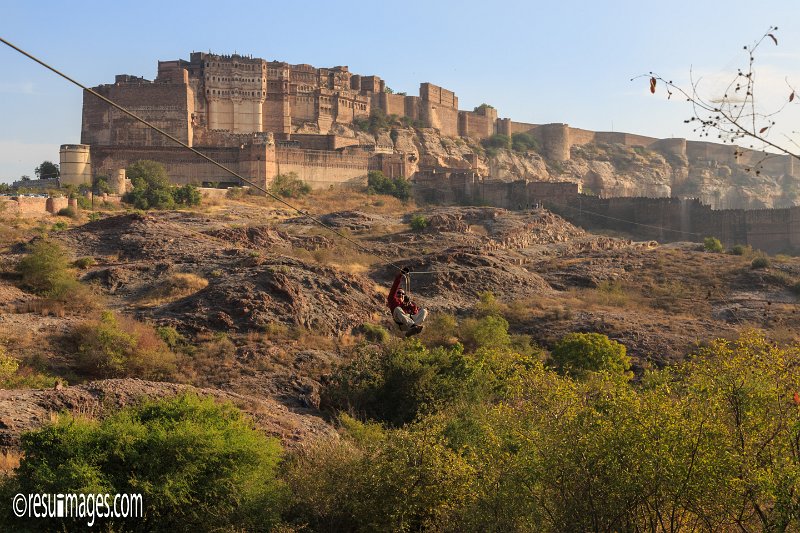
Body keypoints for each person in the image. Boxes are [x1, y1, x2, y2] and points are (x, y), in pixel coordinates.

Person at [387, 268, 428, 337]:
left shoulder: (407, 303)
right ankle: (413, 326)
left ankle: (413, 328)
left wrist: (410, 305)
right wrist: (400, 274)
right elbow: (394, 287)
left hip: (410, 323)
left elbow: (415, 313)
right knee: (397, 309)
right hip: (401, 324)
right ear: (395, 294)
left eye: (403, 294)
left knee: (424, 311)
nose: (401, 294)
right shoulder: (392, 300)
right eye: (399, 293)